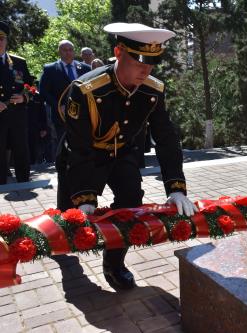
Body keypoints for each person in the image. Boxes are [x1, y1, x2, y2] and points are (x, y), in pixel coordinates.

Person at [57, 22, 198, 290]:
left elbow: (166, 138)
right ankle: (68, 268)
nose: (146, 70)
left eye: (152, 63)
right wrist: (86, 196)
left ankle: (115, 261)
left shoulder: (153, 90)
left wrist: (176, 187)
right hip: (81, 155)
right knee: (70, 219)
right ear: (118, 52)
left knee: (131, 201)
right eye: (138, 62)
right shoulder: (86, 89)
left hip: (122, 154)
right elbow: (79, 146)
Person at [39, 40, 91, 147]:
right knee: (64, 145)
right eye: (64, 50)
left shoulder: (85, 68)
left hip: (84, 114)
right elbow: (43, 92)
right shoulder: (50, 69)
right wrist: (58, 106)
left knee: (84, 143)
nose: (68, 53)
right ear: (59, 51)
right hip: (61, 116)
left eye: (70, 50)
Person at [0, 21, 33, 185]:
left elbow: (31, 86)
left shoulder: (18, 62)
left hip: (17, 114)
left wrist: (23, 97)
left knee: (21, 149)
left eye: (1, 38)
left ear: (6, 40)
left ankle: (24, 182)